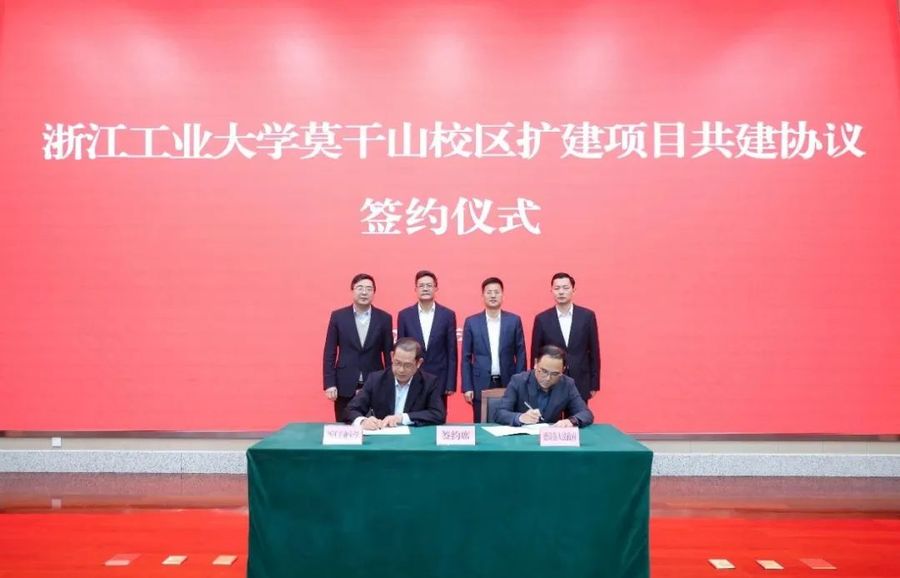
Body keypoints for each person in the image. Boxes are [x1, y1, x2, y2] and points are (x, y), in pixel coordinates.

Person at [323, 273, 394, 422]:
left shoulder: (384, 318)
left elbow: (389, 354)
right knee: (344, 426)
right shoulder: (338, 316)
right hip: (344, 383)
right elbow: (330, 352)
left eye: (369, 289)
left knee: (375, 426)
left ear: (374, 292)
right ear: (352, 290)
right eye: (360, 288)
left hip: (375, 382)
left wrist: (390, 383)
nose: (364, 292)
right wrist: (329, 383)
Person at [461, 277, 526, 422]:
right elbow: (466, 357)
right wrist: (467, 386)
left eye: (496, 292)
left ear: (503, 295)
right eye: (489, 292)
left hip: (508, 381)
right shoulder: (472, 322)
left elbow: (521, 354)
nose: (493, 295)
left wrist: (520, 383)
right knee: (481, 423)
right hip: (480, 383)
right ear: (482, 296)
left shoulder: (514, 321)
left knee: (510, 422)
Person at [345, 338, 446, 428]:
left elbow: (438, 414)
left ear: (418, 363)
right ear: (392, 356)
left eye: (407, 365)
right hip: (383, 436)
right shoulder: (376, 379)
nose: (401, 370)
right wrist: (363, 421)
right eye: (397, 363)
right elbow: (350, 410)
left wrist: (402, 418)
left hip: (414, 438)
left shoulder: (429, 382)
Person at [530, 272, 600, 402]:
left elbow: (594, 352)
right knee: (551, 415)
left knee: (578, 415)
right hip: (550, 381)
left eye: (565, 288)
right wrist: (534, 381)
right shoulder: (542, 319)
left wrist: (594, 383)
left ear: (573, 290)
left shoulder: (587, 316)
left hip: (580, 381)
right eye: (557, 288)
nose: (561, 292)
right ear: (551, 291)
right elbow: (535, 354)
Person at [396, 270, 458, 410]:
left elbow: (451, 352)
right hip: (411, 377)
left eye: (429, 285)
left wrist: (450, 383)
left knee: (437, 416)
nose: (425, 288)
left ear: (436, 288)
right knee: (410, 416)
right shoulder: (405, 315)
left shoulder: (447, 315)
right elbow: (401, 350)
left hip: (439, 379)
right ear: (415, 289)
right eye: (421, 285)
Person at [494, 345, 594, 427]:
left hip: (550, 440)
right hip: (521, 439)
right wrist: (520, 417)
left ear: (563, 370)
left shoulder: (567, 384)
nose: (548, 378)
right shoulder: (518, 381)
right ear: (535, 364)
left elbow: (586, 414)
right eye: (544, 371)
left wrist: (571, 421)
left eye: (555, 374)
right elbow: (500, 413)